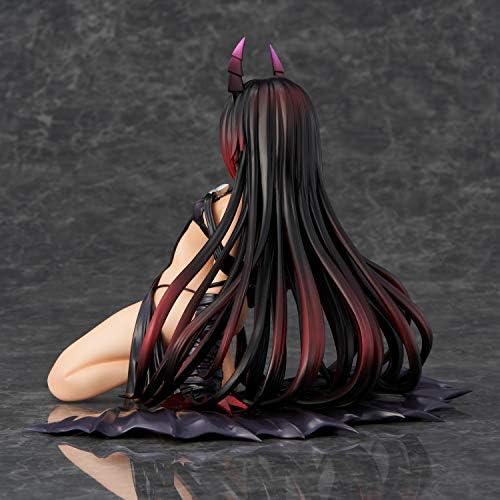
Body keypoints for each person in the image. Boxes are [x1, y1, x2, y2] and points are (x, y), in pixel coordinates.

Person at [31, 38, 468, 440]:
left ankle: (171, 373)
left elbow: (218, 292)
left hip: (179, 313)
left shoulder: (233, 207)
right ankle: (167, 373)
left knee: (63, 380)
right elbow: (237, 290)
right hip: (198, 317)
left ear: (242, 137)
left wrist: (203, 368)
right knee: (97, 373)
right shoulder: (285, 209)